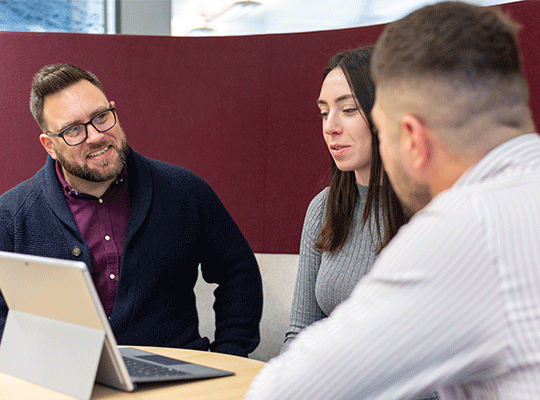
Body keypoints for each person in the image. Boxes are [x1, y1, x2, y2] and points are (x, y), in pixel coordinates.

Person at [245, 1, 540, 398]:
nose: (332, 127)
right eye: (324, 112)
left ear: (413, 139)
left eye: (377, 126)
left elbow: (287, 392)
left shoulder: (465, 227)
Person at [0, 63, 263, 357]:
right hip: (63, 385)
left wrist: (230, 353)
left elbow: (238, 273)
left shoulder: (186, 191)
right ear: (49, 145)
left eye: (101, 117)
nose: (96, 136)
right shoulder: (10, 215)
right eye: (73, 130)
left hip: (176, 378)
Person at [282, 46, 407, 352]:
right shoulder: (322, 209)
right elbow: (300, 332)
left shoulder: (430, 213)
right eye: (324, 112)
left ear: (385, 115)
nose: (330, 127)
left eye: (348, 110)